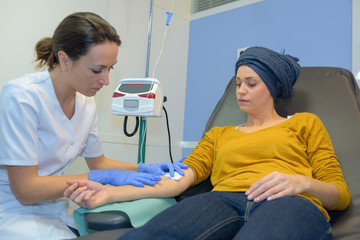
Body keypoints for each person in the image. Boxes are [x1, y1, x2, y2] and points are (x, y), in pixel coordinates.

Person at [64, 46, 351, 240]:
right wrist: (109, 194)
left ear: (275, 88)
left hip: (288, 202)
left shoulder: (304, 123)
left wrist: (301, 183)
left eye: (251, 83)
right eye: (238, 83)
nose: (241, 90)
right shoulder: (219, 134)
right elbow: (176, 180)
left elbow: (339, 193)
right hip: (224, 199)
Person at [0, 12, 187, 240]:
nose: (106, 80)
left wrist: (144, 168)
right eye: (97, 70)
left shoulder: (86, 101)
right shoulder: (22, 97)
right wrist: (99, 176)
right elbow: (26, 190)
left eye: (111, 69)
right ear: (65, 60)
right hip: (12, 211)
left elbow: (99, 162)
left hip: (55, 208)